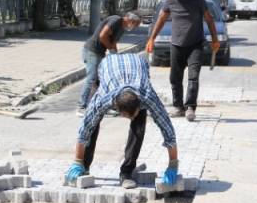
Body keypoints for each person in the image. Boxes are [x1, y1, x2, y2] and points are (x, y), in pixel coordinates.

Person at [66, 52, 180, 190]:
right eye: (127, 116)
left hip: (138, 64)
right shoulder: (104, 98)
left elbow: (167, 128)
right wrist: (77, 161)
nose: (130, 118)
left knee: (139, 125)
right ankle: (83, 166)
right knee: (93, 122)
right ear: (116, 108)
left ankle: (126, 172)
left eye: (134, 114)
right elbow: (85, 128)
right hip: (107, 66)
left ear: (139, 104)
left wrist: (173, 164)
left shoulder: (147, 96)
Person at [144, 0, 220, 122]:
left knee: (193, 77)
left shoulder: (198, 0)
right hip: (176, 45)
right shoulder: (170, 1)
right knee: (175, 78)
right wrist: (151, 38)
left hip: (195, 45)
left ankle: (190, 107)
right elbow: (161, 19)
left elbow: (210, 20)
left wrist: (215, 40)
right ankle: (178, 107)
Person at [78, 12, 142, 115]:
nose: (134, 28)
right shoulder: (116, 20)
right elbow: (103, 35)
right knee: (92, 79)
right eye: (135, 24)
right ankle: (82, 106)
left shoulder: (121, 29)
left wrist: (115, 56)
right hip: (92, 51)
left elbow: (113, 43)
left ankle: (103, 106)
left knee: (102, 81)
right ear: (130, 20)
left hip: (100, 52)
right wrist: (111, 49)